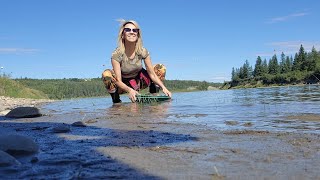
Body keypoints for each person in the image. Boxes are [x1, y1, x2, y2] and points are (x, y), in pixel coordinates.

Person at [102, 20, 172, 103]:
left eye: (135, 30)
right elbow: (118, 81)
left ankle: (154, 95)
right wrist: (129, 90)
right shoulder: (116, 54)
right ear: (122, 35)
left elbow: (152, 74)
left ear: (138, 35)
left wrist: (164, 87)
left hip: (139, 82)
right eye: (128, 30)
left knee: (161, 68)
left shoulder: (143, 51)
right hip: (122, 86)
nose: (132, 32)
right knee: (106, 74)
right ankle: (116, 100)